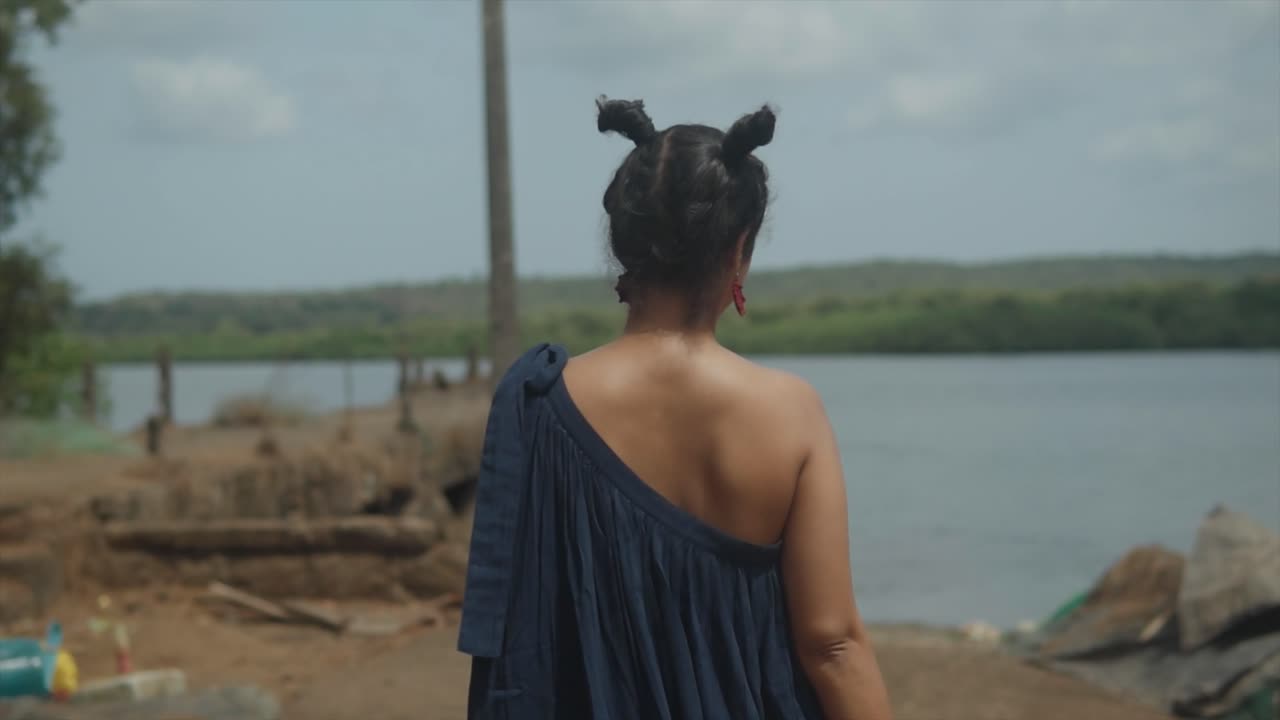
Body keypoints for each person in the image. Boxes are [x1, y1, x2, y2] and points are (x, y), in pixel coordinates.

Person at [459, 97, 893, 720]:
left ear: (623, 243)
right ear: (738, 250)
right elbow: (832, 644)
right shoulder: (791, 412)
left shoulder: (543, 399)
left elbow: (526, 632)